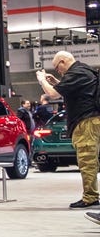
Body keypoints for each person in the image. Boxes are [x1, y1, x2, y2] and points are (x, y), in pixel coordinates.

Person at [35, 50, 100, 209]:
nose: (59, 71)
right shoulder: (83, 71)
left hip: (86, 122)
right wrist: (57, 82)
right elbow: (71, 92)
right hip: (89, 120)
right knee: (88, 160)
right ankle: (91, 195)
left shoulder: (76, 73)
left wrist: (42, 80)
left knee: (87, 160)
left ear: (63, 62)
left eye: (57, 67)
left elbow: (52, 94)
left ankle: (90, 197)